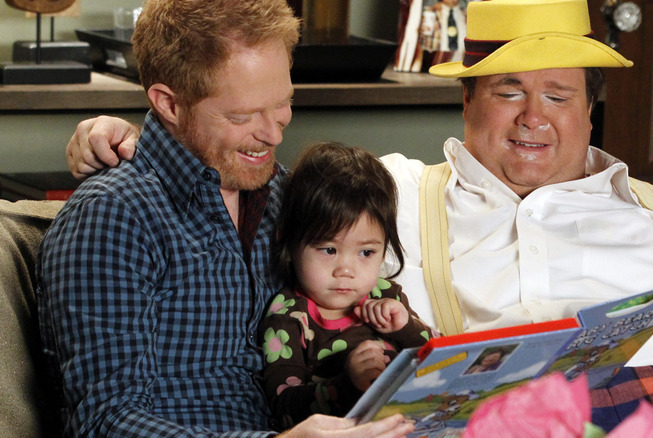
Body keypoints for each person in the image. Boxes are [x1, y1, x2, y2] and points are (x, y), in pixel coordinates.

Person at [63, 0, 653, 434]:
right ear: (465, 101)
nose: (535, 119)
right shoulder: (389, 194)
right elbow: (228, 164)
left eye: (559, 95)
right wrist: (116, 137)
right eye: (508, 91)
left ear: (590, 106)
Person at [35, 0, 412, 437]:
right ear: (169, 105)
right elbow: (105, 422)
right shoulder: (114, 216)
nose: (274, 133)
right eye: (243, 115)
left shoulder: (286, 195)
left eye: (283, 104)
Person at [261, 142, 435, 429]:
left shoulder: (385, 294)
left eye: (366, 253)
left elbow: (437, 357)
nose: (346, 270)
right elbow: (284, 407)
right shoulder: (289, 317)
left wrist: (405, 327)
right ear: (290, 242)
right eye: (328, 249)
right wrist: (346, 384)